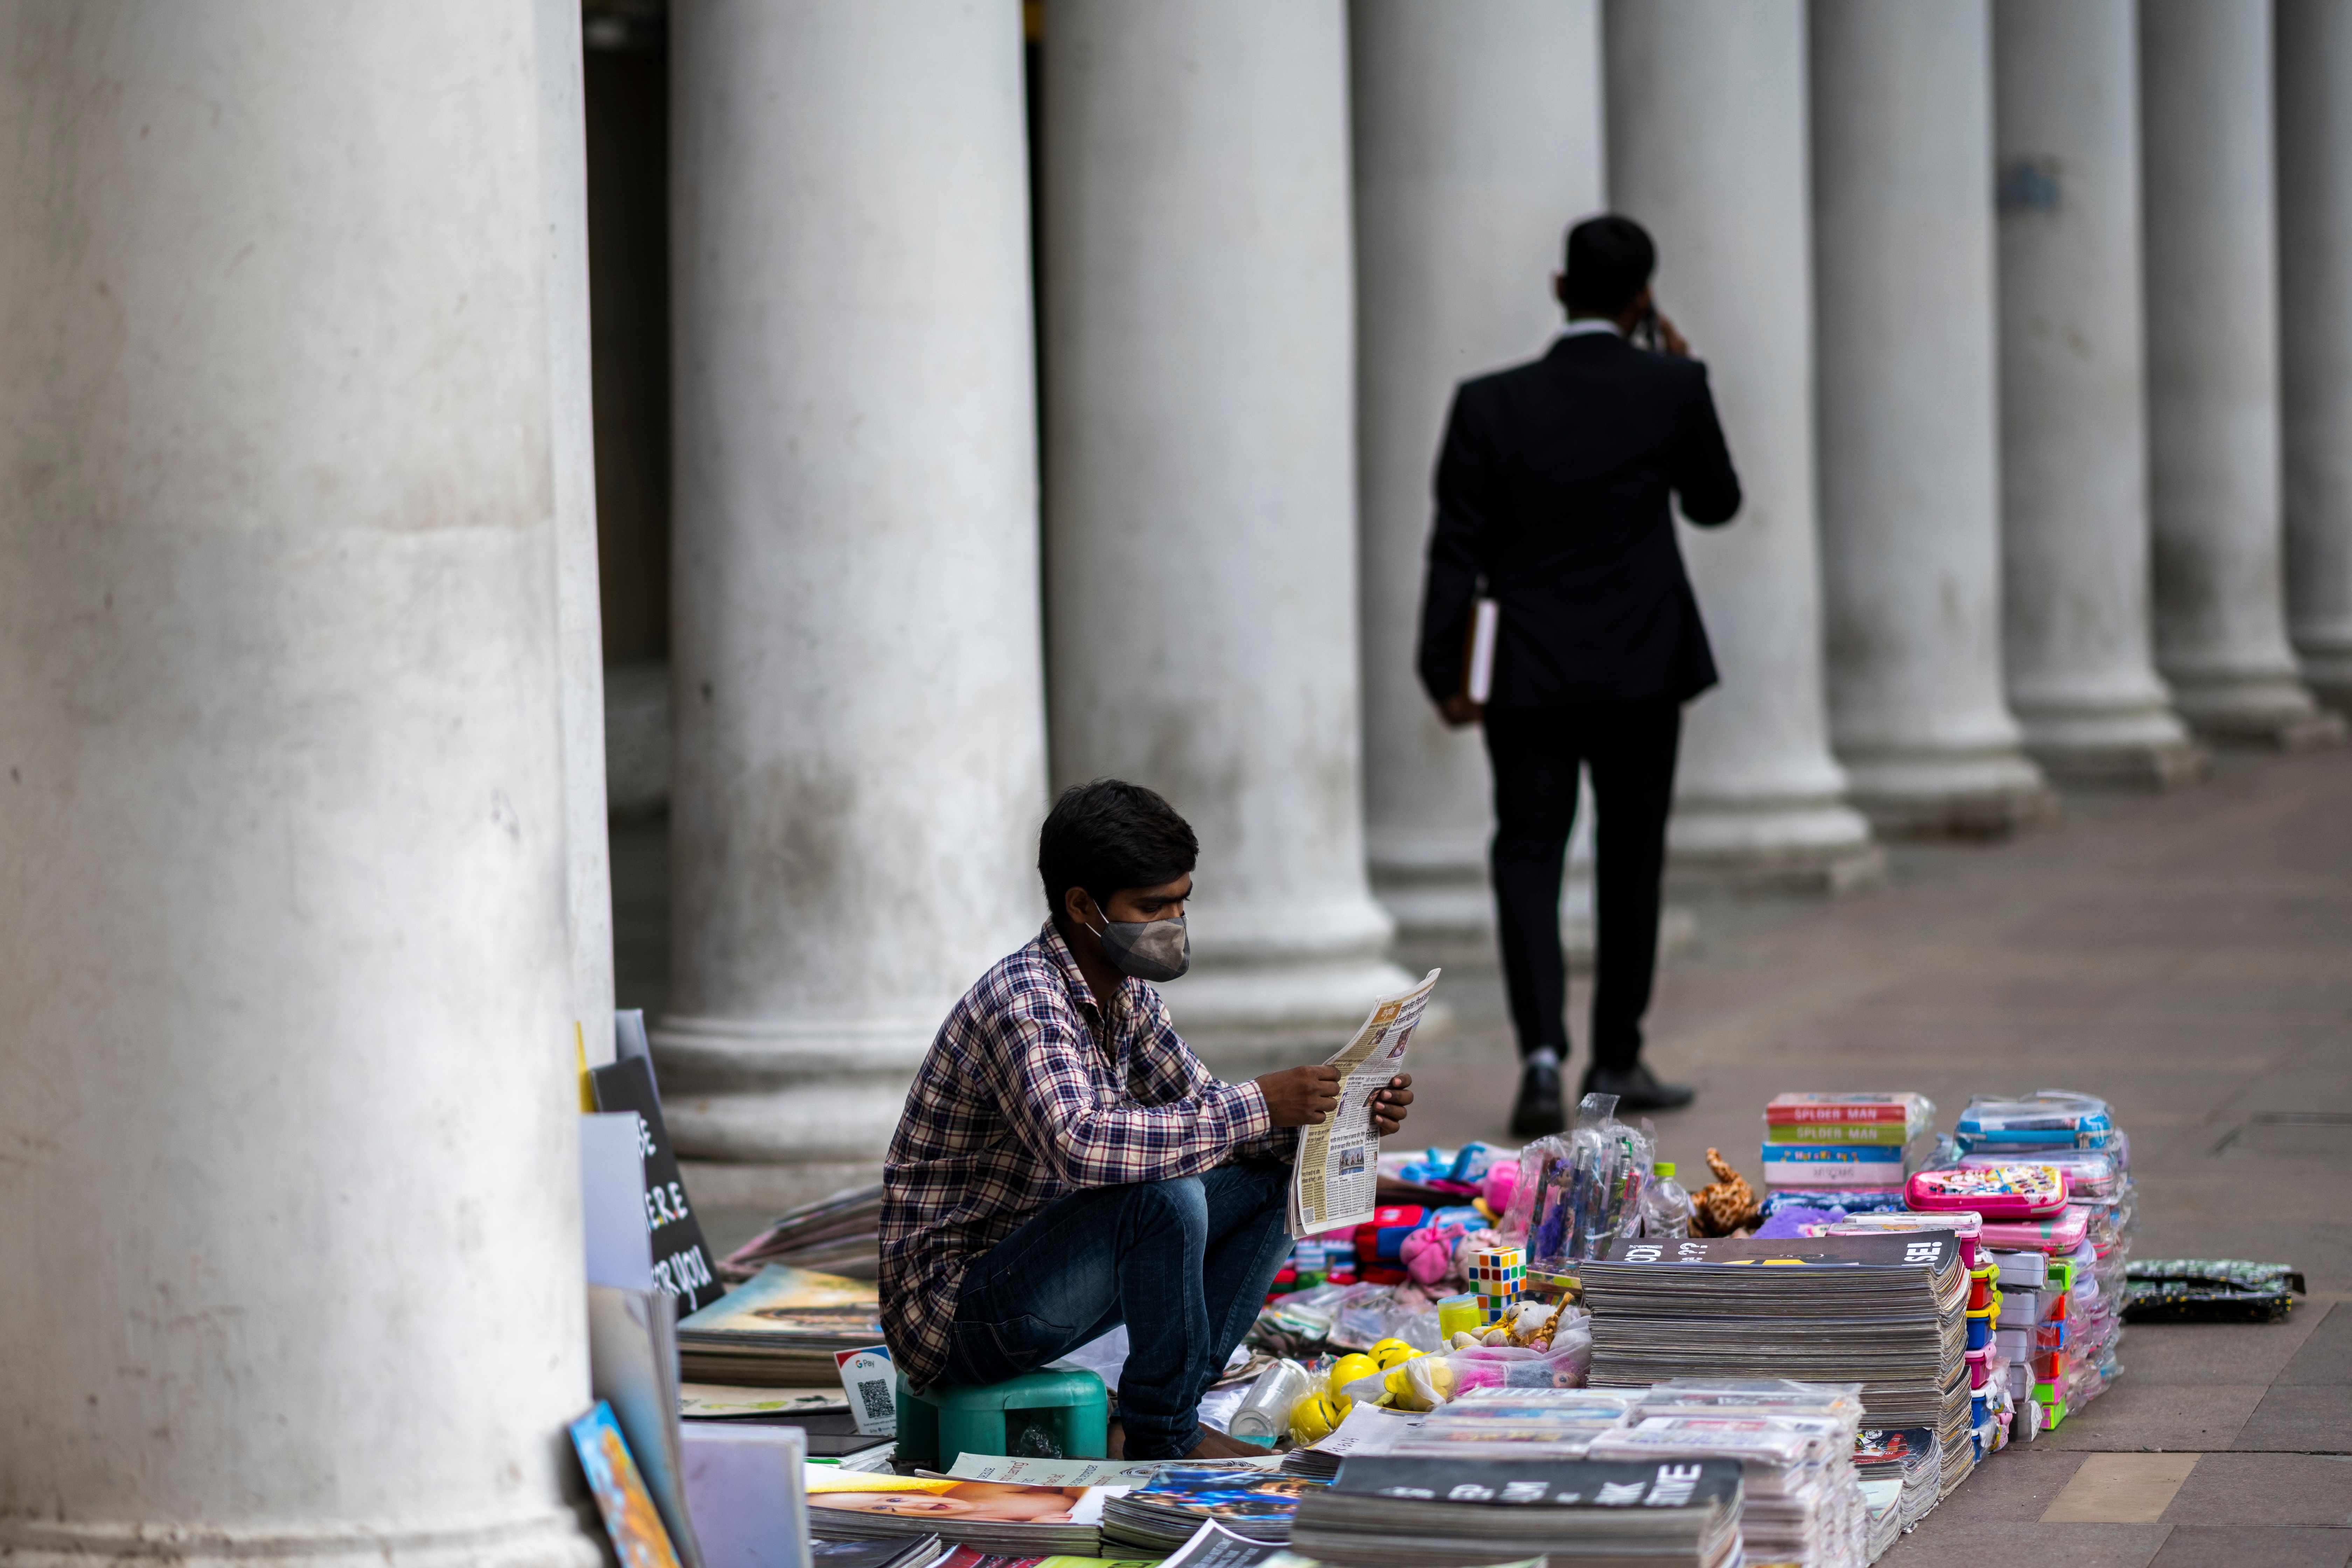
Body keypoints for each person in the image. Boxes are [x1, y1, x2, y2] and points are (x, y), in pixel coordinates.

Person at [878, 779, 1415, 1459]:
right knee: (1163, 1198)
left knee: (1272, 1179)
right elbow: (1081, 1144)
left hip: (1047, 1276)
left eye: (1182, 901)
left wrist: (1336, 1113)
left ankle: (1162, 1411)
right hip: (956, 1316)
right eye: (1152, 906)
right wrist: (1259, 1102)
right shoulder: (1025, 1001)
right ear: (1082, 906)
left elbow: (1214, 1122)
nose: (1174, 921)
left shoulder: (1129, 999)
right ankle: (1164, 1437)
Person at [1415, 213, 1741, 1131]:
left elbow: (1453, 549)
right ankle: (1615, 1060)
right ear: (1642, 298)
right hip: (1642, 671)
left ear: (1559, 288)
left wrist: (1445, 669)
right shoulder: (1672, 386)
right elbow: (1715, 503)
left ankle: (1539, 1061)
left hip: (1527, 675)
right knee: (1631, 861)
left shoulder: (1489, 402)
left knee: (1527, 857)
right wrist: (1679, 369)